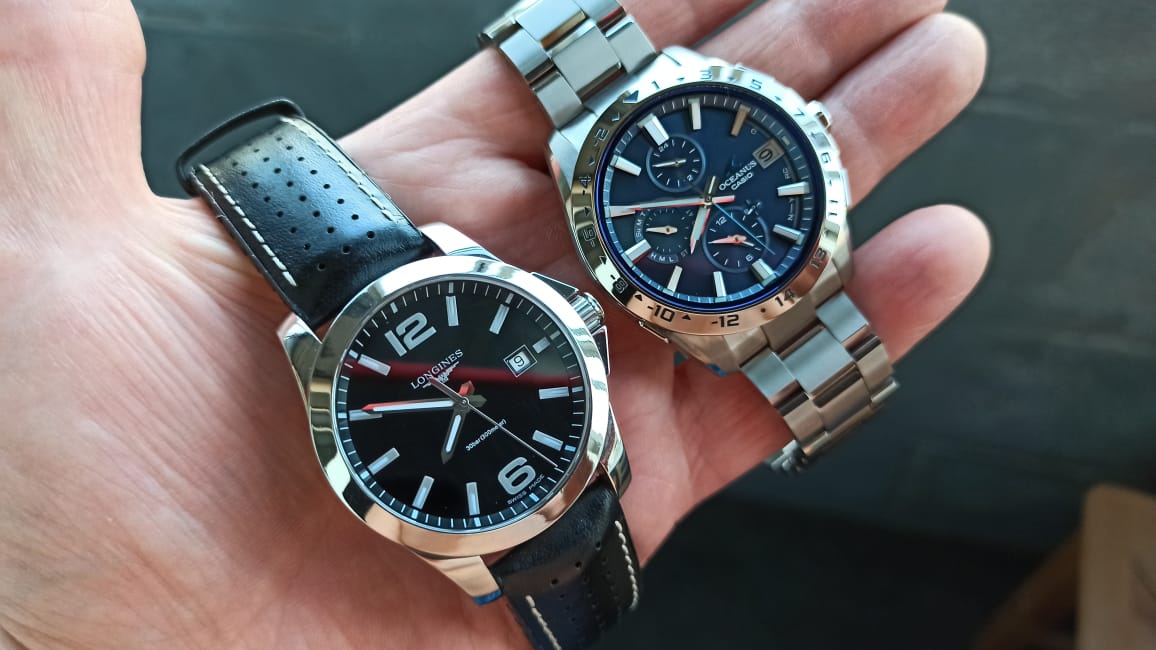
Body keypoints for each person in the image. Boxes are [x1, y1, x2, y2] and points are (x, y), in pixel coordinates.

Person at [0, 0, 990, 647]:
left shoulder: (517, 327)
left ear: (572, 312)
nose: (464, 392)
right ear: (578, 313)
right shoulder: (424, 420)